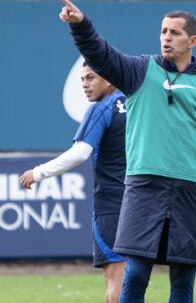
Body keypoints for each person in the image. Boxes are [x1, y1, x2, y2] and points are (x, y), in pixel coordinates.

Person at [58, 0, 196, 303]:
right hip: (144, 186)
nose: (166, 37)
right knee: (137, 273)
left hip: (192, 188)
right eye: (163, 31)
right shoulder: (140, 70)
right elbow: (101, 56)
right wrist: (81, 26)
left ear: (192, 40)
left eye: (175, 32)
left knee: (182, 281)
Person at [19, 61, 127, 303]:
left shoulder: (103, 108)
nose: (84, 85)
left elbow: (80, 152)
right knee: (135, 277)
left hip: (112, 207)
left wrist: (38, 173)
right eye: (82, 79)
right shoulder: (137, 104)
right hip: (143, 204)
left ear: (108, 79)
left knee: (116, 278)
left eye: (91, 78)